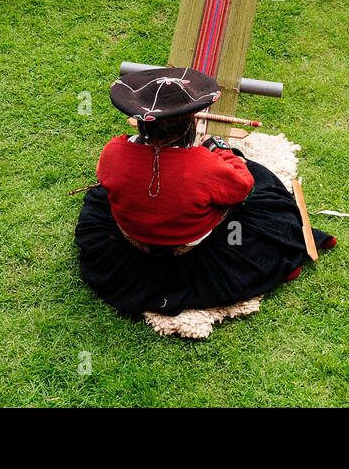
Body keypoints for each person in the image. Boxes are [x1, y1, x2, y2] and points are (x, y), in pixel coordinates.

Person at [76, 67, 334, 316]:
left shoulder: (113, 152)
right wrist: (220, 149)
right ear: (191, 126)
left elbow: (109, 176)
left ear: (142, 123)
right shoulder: (205, 165)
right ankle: (277, 263)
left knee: (106, 197)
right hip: (192, 247)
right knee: (257, 180)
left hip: (133, 243)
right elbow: (243, 188)